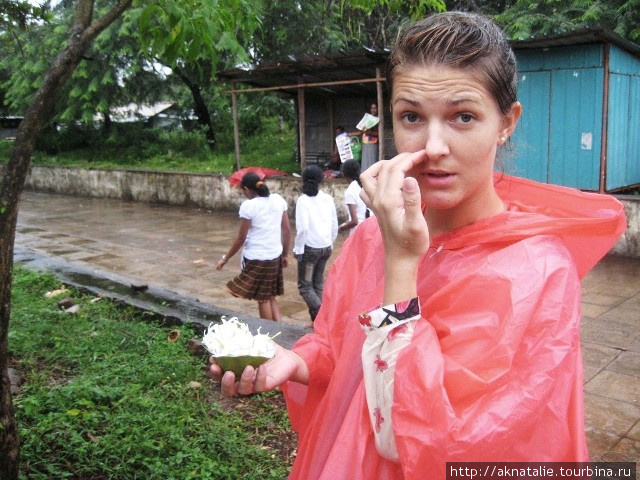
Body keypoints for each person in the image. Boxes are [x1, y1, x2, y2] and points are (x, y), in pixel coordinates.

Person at [210, 12, 626, 479]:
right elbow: (340, 350)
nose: (433, 146)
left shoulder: (537, 272)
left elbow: (420, 438)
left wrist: (402, 265)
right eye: (412, 117)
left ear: (506, 123)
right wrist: (296, 360)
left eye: (463, 117)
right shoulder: (373, 236)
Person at [216, 171, 290, 322]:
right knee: (269, 295)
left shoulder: (249, 206)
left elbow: (241, 238)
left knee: (262, 299)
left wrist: (226, 258)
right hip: (275, 255)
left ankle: (269, 334)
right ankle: (280, 329)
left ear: (247, 190)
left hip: (257, 258)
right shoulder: (278, 200)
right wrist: (285, 255)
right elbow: (287, 230)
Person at [292, 165, 338, 321]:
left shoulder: (303, 201)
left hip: (310, 249)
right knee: (317, 285)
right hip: (325, 247)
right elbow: (334, 225)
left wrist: (298, 249)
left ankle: (323, 317)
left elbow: (303, 229)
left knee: (305, 286)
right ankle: (318, 323)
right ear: (321, 180)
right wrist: (330, 243)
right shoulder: (327, 198)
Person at [338, 159, 369, 235]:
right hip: (369, 229)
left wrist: (341, 228)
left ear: (344, 173)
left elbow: (354, 221)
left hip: (358, 232)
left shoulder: (350, 191)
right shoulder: (365, 186)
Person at [357, 102, 379, 171]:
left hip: (373, 143)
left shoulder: (378, 119)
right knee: (365, 160)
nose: (373, 110)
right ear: (370, 109)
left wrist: (370, 132)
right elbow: (361, 131)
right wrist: (350, 134)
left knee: (372, 160)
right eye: (372, 108)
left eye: (375, 108)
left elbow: (379, 133)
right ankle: (365, 175)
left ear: (378, 109)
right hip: (365, 142)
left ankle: (372, 175)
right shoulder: (367, 119)